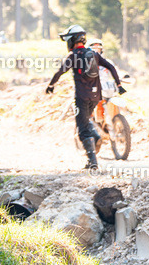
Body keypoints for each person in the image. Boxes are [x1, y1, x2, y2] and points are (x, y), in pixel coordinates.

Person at [44, 24, 125, 170]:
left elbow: (59, 72)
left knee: (82, 129)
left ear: (72, 40)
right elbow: (111, 67)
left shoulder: (73, 56)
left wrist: (51, 85)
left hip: (81, 97)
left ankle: (92, 161)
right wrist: (119, 85)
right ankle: (96, 137)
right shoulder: (94, 54)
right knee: (86, 120)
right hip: (96, 97)